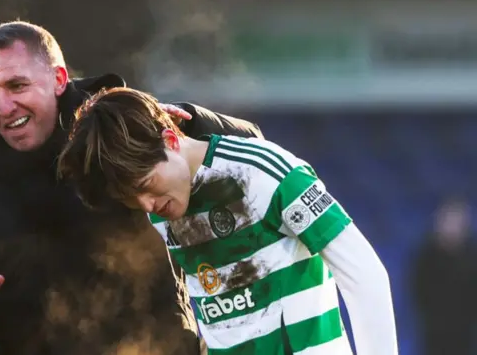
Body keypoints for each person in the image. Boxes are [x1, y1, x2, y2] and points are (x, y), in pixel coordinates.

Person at [0, 21, 264, 355]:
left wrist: (193, 123)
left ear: (59, 79)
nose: (3, 107)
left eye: (16, 86)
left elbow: (252, 146)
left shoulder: (122, 134)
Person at [57, 87, 399, 355]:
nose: (147, 205)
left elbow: (364, 274)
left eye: (146, 186)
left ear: (171, 140)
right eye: (131, 199)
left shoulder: (263, 171)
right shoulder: (162, 211)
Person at [413, 197, 477, 355]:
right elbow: (418, 291)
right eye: (448, 221)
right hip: (434, 332)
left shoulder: (472, 257)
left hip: (465, 332)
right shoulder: (426, 257)